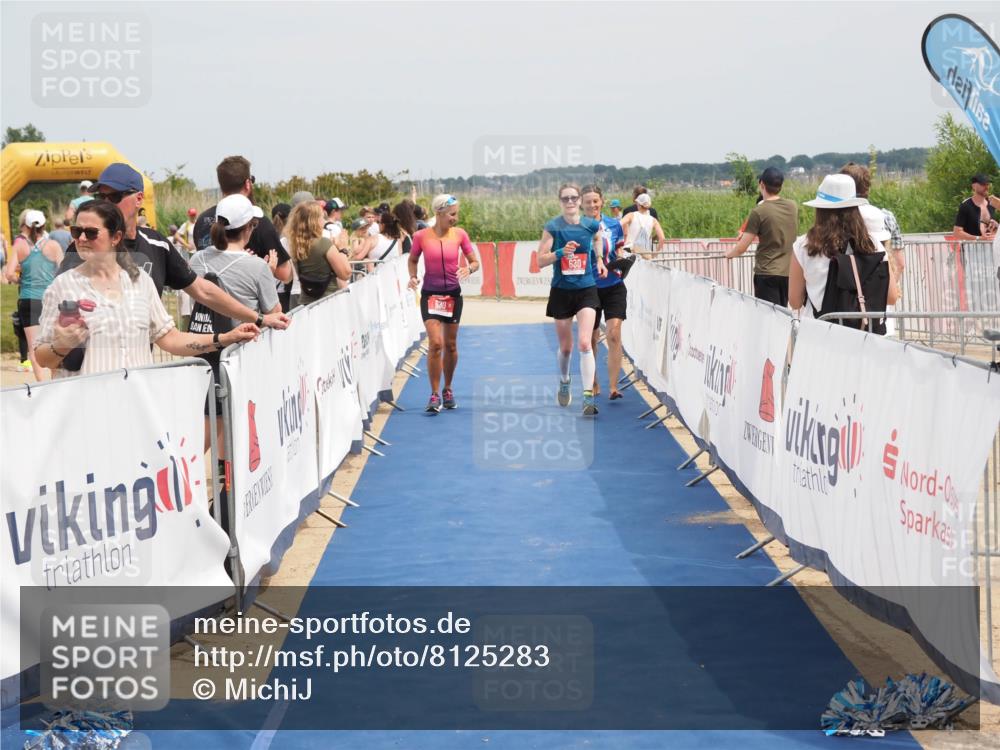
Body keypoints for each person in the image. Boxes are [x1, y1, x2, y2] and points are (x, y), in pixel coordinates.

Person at [35, 200, 258, 379]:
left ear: (116, 237)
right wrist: (61, 345)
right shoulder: (62, 286)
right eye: (76, 231)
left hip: (138, 410)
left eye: (91, 233)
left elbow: (170, 339)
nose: (81, 239)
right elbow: (42, 357)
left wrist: (226, 337)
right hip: (87, 414)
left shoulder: (140, 281)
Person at [59, 163, 290, 331]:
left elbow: (203, 290)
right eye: (101, 197)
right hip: (91, 373)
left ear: (139, 198)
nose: (106, 204)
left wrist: (258, 319)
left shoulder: (157, 244)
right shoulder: (82, 247)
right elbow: (59, 318)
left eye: (115, 196)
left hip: (137, 371)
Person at [788, 174, 899, 329]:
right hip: (863, 334)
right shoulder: (873, 244)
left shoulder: (804, 245)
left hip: (818, 332)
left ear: (820, 209)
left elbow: (795, 301)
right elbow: (891, 297)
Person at [536, 183, 607, 416]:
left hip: (586, 289)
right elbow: (540, 261)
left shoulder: (591, 224)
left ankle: (588, 397)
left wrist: (598, 259)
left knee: (585, 343)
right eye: (565, 198)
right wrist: (560, 253)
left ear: (579, 201)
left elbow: (598, 238)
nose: (569, 202)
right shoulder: (553, 227)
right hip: (562, 291)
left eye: (573, 198)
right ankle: (565, 380)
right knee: (566, 348)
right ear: (560, 201)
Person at [407, 194, 480, 412]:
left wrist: (469, 268)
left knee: (450, 345)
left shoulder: (459, 235)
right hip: (431, 295)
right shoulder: (421, 236)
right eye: (452, 214)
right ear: (439, 213)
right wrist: (412, 276)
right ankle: (434, 394)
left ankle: (448, 389)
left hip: (453, 296)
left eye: (456, 213)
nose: (456, 218)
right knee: (436, 343)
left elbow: (474, 261)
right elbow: (412, 259)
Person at [192, 156, 294, 286]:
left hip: (206, 302)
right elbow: (285, 274)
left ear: (222, 186)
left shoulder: (202, 220)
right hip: (244, 303)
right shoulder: (257, 220)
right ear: (247, 184)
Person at [582, 185, 630, 400]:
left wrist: (622, 261)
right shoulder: (576, 227)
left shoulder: (614, 225)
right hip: (588, 289)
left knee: (613, 334)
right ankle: (593, 381)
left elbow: (619, 250)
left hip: (614, 285)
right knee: (590, 339)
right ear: (582, 204)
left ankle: (613, 387)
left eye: (595, 201)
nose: (592, 205)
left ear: (602, 202)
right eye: (588, 201)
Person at [724, 167, 798, 306]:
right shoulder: (792, 206)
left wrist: (729, 254)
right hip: (788, 272)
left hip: (767, 272)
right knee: (783, 316)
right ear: (780, 186)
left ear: (761, 184)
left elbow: (742, 247)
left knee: (768, 319)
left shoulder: (758, 212)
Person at [4, 209, 63, 380]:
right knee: (53, 343)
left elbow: (9, 274)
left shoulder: (19, 245)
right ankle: (54, 378)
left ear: (27, 226)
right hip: (50, 298)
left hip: (28, 298)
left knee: (33, 345)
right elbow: (63, 271)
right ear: (45, 225)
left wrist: (19, 280)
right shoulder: (53, 245)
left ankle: (40, 383)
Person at [285, 201, 351, 305]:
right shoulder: (324, 243)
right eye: (321, 217)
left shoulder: (295, 245)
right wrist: (343, 249)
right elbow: (346, 274)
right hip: (327, 302)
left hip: (306, 302)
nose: (324, 221)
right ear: (314, 221)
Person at [953, 173, 997, 241]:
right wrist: (978, 238)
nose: (986, 187)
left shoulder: (992, 203)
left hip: (990, 248)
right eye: (983, 184)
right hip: (972, 249)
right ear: (974, 186)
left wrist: (996, 227)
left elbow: (992, 229)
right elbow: (957, 232)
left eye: (987, 184)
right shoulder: (966, 205)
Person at [619, 193, 665, 257]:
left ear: (639, 204)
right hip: (645, 253)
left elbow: (618, 225)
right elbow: (662, 238)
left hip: (629, 251)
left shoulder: (631, 215)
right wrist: (655, 254)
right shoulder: (653, 220)